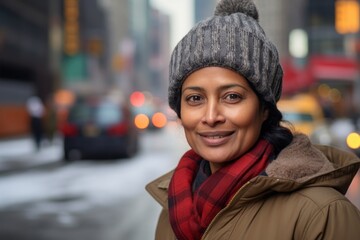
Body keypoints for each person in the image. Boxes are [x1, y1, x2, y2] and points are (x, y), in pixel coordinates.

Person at [146, 0, 360, 239]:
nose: (211, 116)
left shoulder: (322, 215)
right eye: (195, 98)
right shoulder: (172, 207)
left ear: (264, 109)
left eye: (232, 97)